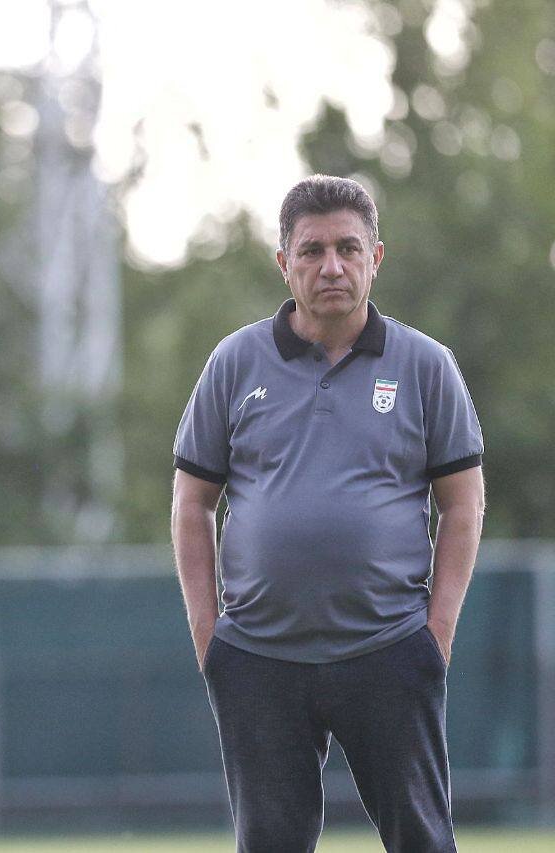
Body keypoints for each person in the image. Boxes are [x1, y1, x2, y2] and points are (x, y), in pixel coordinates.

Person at [171, 175, 485, 851]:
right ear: (283, 262)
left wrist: (437, 632)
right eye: (312, 251)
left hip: (390, 649)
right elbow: (191, 502)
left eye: (348, 248)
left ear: (377, 257)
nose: (332, 266)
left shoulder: (426, 365)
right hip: (258, 657)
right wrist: (208, 633)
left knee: (422, 840)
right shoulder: (233, 362)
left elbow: (463, 503)